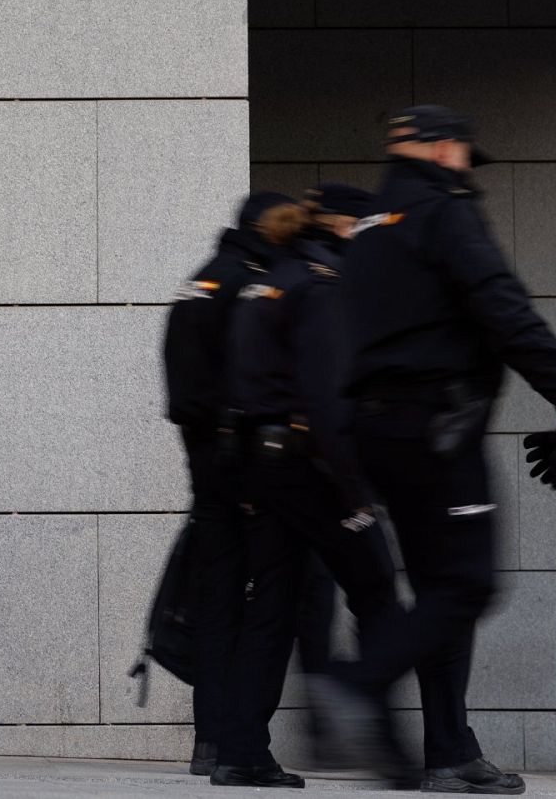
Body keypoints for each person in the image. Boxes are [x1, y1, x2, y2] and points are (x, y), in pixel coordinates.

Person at [319, 106, 556, 795]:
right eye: (460, 151)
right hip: (437, 428)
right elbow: (502, 307)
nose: (462, 163)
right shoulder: (443, 212)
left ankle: (449, 748)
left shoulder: (366, 229)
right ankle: (355, 683)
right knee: (468, 583)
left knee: (438, 592)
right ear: (444, 149)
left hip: (376, 430)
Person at [209, 186, 409, 789]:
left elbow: (234, 391)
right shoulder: (323, 284)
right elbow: (326, 398)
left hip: (265, 470)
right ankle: (376, 728)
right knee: (378, 594)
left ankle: (240, 751)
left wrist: (243, 478)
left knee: (270, 608)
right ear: (346, 227)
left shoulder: (266, 281)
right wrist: (356, 489)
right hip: (313, 472)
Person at [163, 191, 335, 776]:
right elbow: (245, 380)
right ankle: (240, 743)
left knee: (217, 601)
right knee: (274, 597)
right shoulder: (252, 283)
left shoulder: (203, 280)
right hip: (241, 464)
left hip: (205, 463)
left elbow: (185, 390)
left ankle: (211, 738)